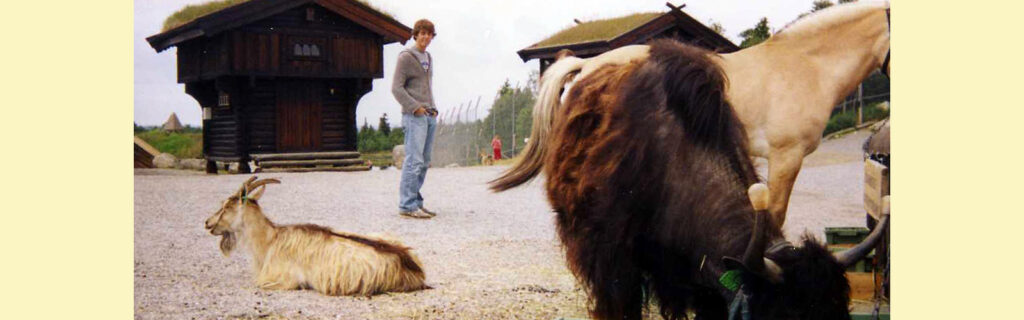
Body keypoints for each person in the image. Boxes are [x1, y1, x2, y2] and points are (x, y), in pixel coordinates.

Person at [392, 19, 439, 219]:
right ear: (416, 34)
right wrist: (415, 108)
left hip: (429, 115)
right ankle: (407, 205)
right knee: (413, 160)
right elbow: (396, 88)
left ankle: (416, 202)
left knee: (424, 160)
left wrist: (433, 108)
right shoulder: (406, 57)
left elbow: (426, 87)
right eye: (422, 33)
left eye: (429, 34)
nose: (426, 37)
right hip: (414, 116)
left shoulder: (428, 57)